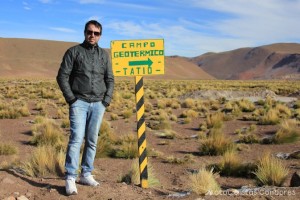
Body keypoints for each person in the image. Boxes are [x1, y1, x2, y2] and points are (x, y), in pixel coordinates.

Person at [56, 20, 114, 195]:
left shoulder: (104, 55)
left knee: (92, 140)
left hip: (98, 103)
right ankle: (71, 177)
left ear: (100, 35)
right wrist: (71, 99)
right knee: (76, 139)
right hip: (79, 102)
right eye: (90, 32)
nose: (92, 35)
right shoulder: (74, 52)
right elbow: (62, 76)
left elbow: (110, 79)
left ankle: (86, 174)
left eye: (96, 33)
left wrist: (106, 101)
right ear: (84, 32)